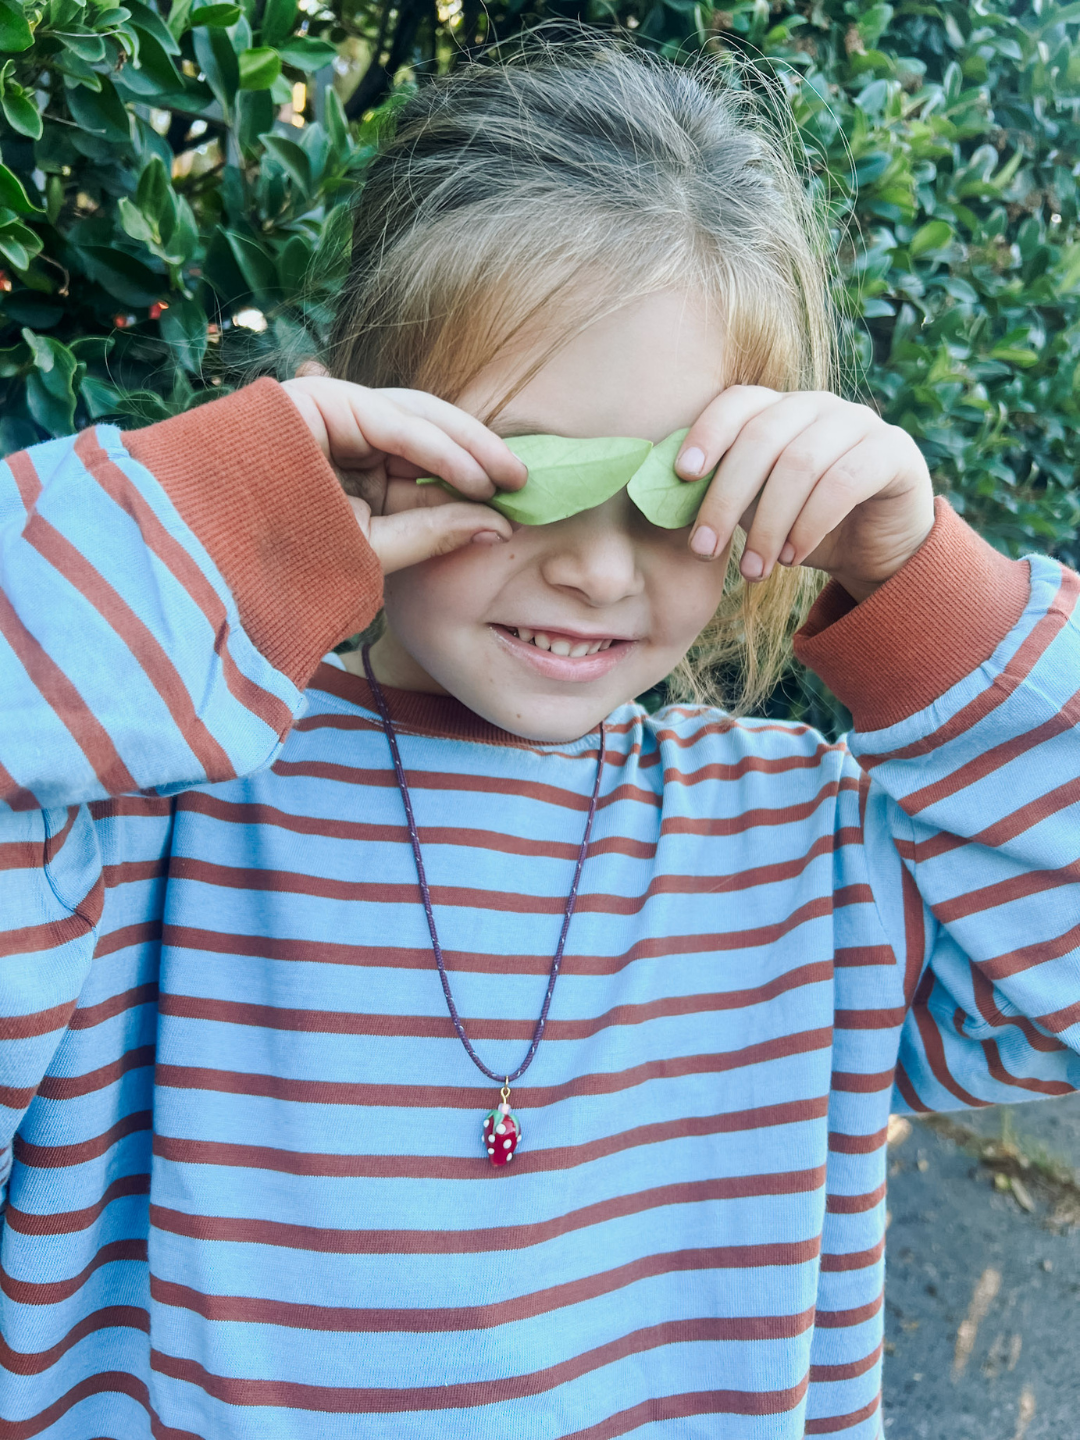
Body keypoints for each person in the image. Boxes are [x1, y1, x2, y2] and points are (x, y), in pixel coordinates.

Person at [0, 36, 1076, 1440]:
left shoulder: (817, 867)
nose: (596, 571)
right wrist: (233, 517)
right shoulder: (148, 818)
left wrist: (936, 586)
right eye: (529, 473)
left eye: (676, 488)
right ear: (367, 419)